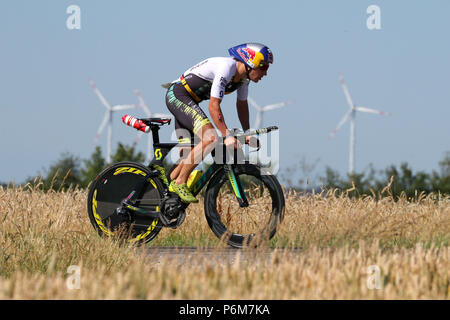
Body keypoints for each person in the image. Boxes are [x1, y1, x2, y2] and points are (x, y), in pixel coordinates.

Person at [165, 43, 273, 203]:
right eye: (263, 67)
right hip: (179, 95)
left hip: (190, 101)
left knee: (187, 157)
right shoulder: (227, 68)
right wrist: (227, 135)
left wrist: (247, 133)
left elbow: (242, 105)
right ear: (251, 63)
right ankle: (180, 182)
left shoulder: (244, 79)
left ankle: (161, 195)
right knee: (211, 138)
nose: (266, 73)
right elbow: (214, 105)